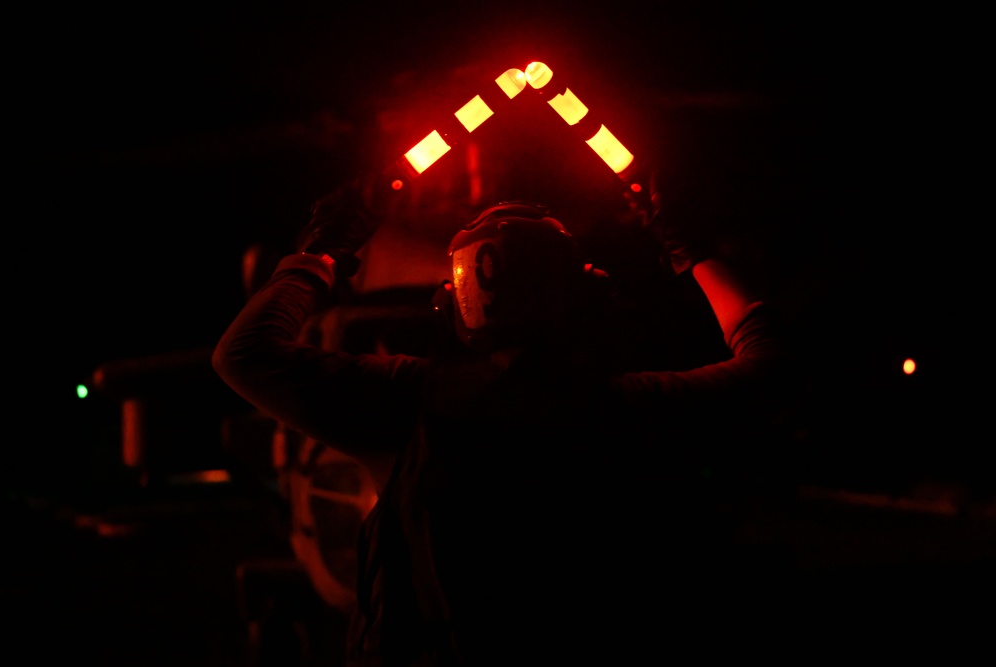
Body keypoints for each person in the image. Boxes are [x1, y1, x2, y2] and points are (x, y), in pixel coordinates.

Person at [212, 172, 798, 665]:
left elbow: (244, 355)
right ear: (591, 294)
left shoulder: (407, 404)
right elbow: (776, 366)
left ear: (450, 307)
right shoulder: (634, 411)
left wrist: (320, 254)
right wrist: (693, 252)